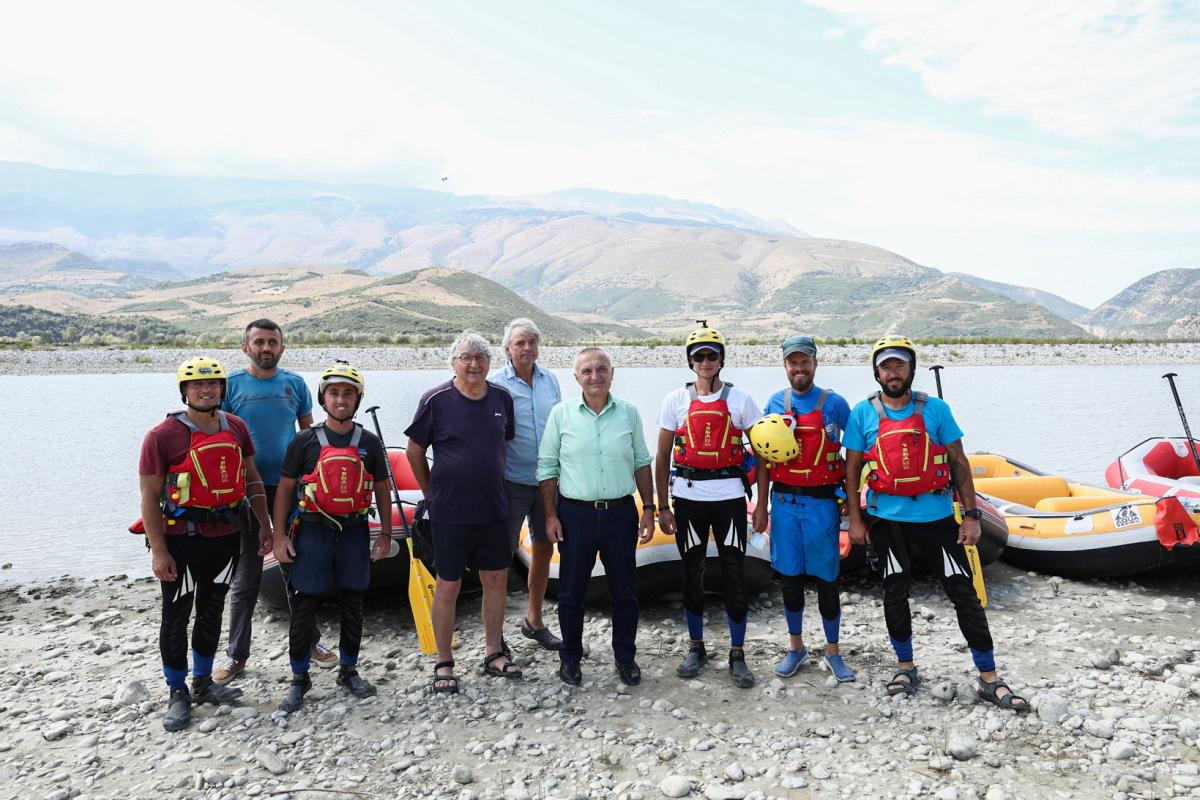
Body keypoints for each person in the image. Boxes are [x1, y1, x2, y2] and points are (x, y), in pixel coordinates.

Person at [843, 336, 1028, 711]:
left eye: (899, 365)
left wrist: (972, 515)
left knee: (963, 593)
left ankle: (988, 677)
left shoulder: (936, 409)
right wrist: (854, 519)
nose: (893, 373)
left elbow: (959, 463)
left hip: (938, 517)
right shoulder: (863, 413)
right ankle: (905, 667)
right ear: (876, 372)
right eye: (886, 366)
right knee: (895, 592)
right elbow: (852, 470)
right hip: (886, 520)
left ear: (911, 368)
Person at [138, 356, 273, 732]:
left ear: (222, 389)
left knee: (213, 609)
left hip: (226, 536)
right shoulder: (161, 436)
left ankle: (202, 683)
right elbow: (149, 497)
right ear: (184, 390)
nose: (205, 389)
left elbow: (252, 479)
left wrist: (265, 525)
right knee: (176, 615)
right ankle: (177, 691)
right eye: (197, 384)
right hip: (180, 540)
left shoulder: (237, 427)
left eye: (213, 383)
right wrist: (159, 550)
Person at [212, 319, 334, 686]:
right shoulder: (230, 385)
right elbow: (216, 439)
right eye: (259, 342)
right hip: (245, 493)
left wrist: (319, 483)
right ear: (245, 347)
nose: (266, 348)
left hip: (291, 491)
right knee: (247, 577)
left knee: (296, 569)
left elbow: (310, 437)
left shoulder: (294, 384)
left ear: (282, 348)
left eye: (273, 342)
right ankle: (236, 655)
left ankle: (311, 643)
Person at [271, 362, 392, 712]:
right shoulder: (303, 441)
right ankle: (299, 677)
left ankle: (348, 669)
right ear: (323, 398)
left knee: (353, 601)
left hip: (354, 531)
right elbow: (285, 490)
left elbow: (382, 489)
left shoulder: (369, 442)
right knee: (305, 604)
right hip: (312, 531)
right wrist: (279, 536)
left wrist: (384, 532)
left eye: (348, 394)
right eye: (334, 393)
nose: (341, 400)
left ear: (358, 399)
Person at [405, 332, 520, 694]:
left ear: (490, 363)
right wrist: (431, 492)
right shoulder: (435, 400)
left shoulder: (502, 398)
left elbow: (503, 443)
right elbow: (413, 452)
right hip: (449, 511)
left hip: (493, 508)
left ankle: (493, 652)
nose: (474, 364)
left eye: (481, 357)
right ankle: (444, 661)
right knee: (448, 585)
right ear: (454, 362)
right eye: (466, 358)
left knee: (496, 580)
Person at [538, 347, 656, 687]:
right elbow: (547, 469)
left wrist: (648, 509)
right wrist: (550, 515)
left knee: (625, 592)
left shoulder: (629, 413)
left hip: (621, 514)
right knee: (571, 593)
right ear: (576, 377)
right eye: (587, 370)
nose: (595, 375)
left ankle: (625, 658)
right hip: (575, 515)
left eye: (601, 369)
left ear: (612, 373)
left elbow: (641, 462)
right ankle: (571, 658)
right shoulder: (561, 415)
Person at [655, 322, 761, 688]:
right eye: (698, 356)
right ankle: (696, 646)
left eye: (711, 355)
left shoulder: (741, 400)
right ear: (690, 361)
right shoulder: (675, 400)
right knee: (692, 571)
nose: (705, 361)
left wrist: (760, 502)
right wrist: (662, 507)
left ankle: (737, 652)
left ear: (721, 359)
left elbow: (761, 453)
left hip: (730, 498)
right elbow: (662, 455)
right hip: (687, 498)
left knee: (734, 571)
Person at [751, 335, 855, 682]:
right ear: (785, 366)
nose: (799, 368)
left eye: (805, 361)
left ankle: (833, 651)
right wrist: (762, 506)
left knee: (827, 580)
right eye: (793, 362)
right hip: (783, 503)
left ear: (814, 363)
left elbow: (854, 454)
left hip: (823, 503)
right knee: (790, 578)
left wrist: (854, 507)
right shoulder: (774, 403)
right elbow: (764, 459)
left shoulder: (835, 404)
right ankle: (796, 648)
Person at [494, 318, 564, 650]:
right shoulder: (495, 384)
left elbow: (561, 427)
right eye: (520, 343)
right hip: (510, 481)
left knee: (543, 547)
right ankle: (495, 635)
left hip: (548, 482)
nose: (527, 348)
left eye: (532, 342)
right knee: (499, 556)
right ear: (507, 348)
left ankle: (533, 620)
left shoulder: (551, 381)